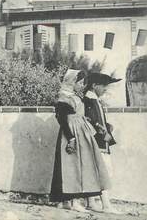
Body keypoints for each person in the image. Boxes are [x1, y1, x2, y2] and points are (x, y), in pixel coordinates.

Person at [50, 69, 111, 212]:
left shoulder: (77, 97)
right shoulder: (64, 98)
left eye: (83, 83)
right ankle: (71, 201)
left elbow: (81, 115)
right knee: (70, 167)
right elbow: (63, 120)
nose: (82, 85)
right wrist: (70, 138)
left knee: (80, 167)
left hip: (82, 133)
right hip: (71, 134)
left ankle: (72, 201)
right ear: (72, 82)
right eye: (80, 82)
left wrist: (95, 126)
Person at [83, 73, 123, 214]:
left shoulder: (94, 100)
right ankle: (105, 204)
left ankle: (91, 202)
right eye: (103, 86)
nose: (105, 89)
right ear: (94, 86)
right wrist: (103, 132)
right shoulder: (88, 100)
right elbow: (89, 121)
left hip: (101, 143)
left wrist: (107, 127)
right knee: (103, 172)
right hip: (97, 143)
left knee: (98, 171)